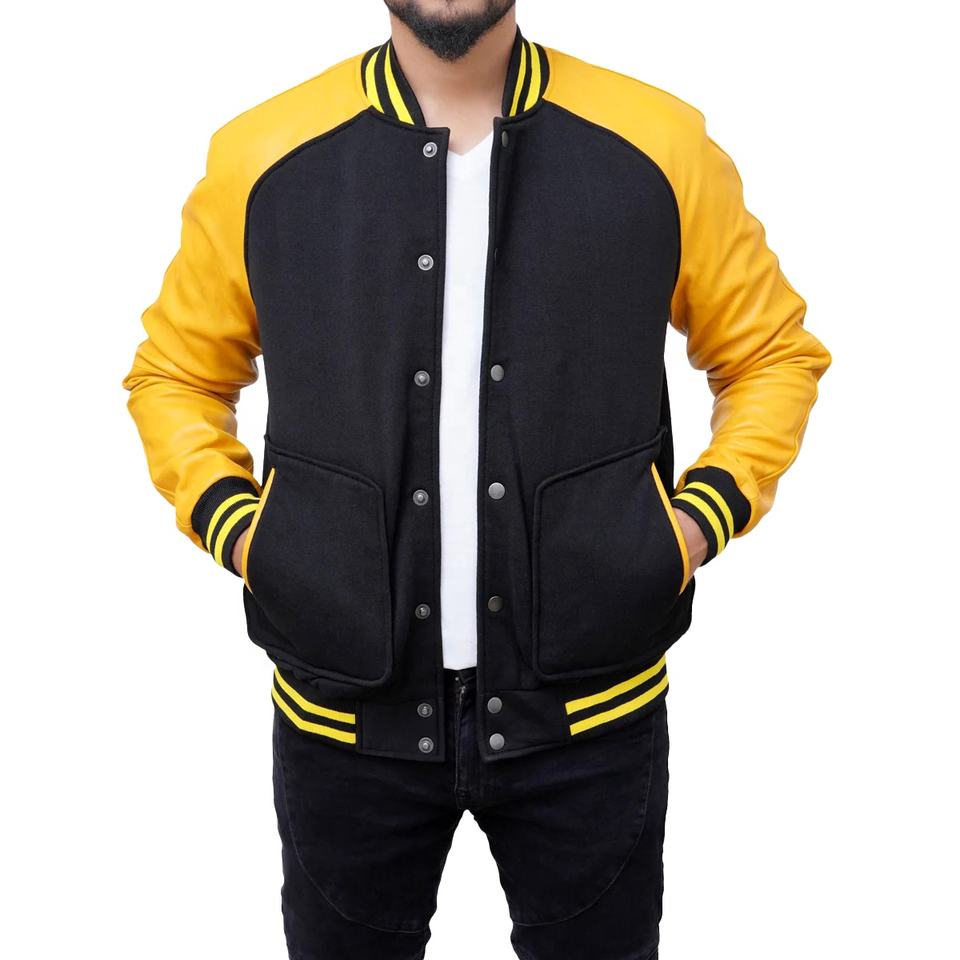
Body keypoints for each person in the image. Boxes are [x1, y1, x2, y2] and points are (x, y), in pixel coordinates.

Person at [121, 2, 832, 957]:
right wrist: (247, 534)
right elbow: (176, 374)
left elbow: (771, 354)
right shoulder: (260, 154)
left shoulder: (660, 143)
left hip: (592, 716)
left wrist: (694, 522)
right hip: (342, 721)